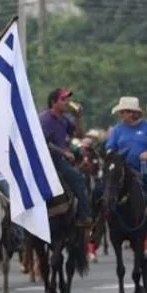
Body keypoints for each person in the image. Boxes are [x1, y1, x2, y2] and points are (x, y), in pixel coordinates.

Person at [104, 96, 147, 222]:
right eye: (121, 112)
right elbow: (110, 147)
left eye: (123, 112)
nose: (121, 115)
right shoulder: (117, 129)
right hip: (122, 170)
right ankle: (97, 225)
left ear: (132, 113)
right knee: (100, 192)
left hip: (145, 169)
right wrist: (112, 154)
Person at [39, 88, 92, 227]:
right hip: (49, 159)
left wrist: (78, 118)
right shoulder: (45, 119)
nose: (67, 102)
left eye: (67, 99)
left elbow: (80, 135)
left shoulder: (64, 119)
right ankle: (84, 215)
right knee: (77, 179)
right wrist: (63, 152)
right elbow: (43, 142)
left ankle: (81, 215)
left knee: (83, 177)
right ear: (53, 102)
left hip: (60, 158)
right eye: (63, 99)